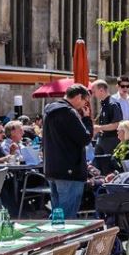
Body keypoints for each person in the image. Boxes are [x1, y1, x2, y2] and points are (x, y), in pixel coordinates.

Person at [42, 84, 94, 220]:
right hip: (69, 171)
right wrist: (87, 119)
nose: (84, 105)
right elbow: (85, 137)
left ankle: (53, 240)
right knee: (67, 217)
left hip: (52, 169)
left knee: (57, 214)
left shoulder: (49, 111)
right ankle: (64, 241)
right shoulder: (69, 113)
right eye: (85, 101)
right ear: (78, 97)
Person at [89, 80, 124, 157]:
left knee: (108, 166)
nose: (93, 95)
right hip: (102, 139)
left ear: (101, 90)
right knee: (96, 163)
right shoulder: (104, 104)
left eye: (94, 92)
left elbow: (117, 124)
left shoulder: (113, 104)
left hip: (111, 141)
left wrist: (99, 127)